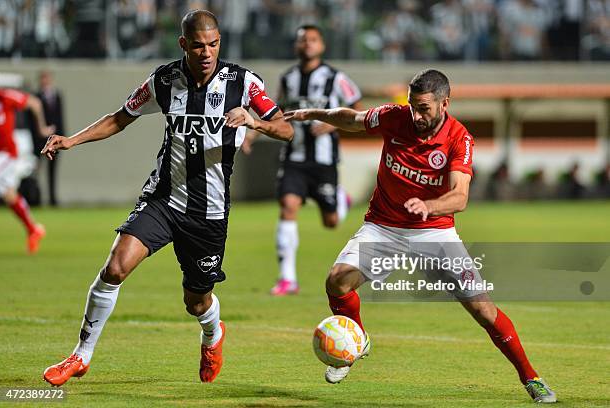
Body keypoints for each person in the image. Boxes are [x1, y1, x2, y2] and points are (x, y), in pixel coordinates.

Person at [41, 10, 293, 387]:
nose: (207, 52)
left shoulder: (244, 82)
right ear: (183, 45)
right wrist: (71, 140)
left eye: (213, 44)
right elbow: (120, 117)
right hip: (163, 198)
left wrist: (254, 121)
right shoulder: (164, 79)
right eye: (198, 45)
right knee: (115, 268)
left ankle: (212, 334)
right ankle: (81, 355)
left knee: (196, 300)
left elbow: (285, 129)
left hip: (208, 212)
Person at [284, 69, 557, 403]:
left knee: (484, 311)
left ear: (445, 103)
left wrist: (430, 205)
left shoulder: (459, 139)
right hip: (383, 226)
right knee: (337, 280)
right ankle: (357, 341)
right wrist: (313, 113)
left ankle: (532, 378)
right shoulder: (394, 117)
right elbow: (353, 119)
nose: (416, 114)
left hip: (434, 232)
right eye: (413, 105)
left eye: (424, 108)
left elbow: (460, 197)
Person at [244, 24, 363, 296]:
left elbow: (357, 109)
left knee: (331, 221)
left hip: (324, 160)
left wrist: (332, 125)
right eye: (302, 40)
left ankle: (339, 200)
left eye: (312, 40)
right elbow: (277, 111)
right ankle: (288, 279)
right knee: (288, 206)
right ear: (296, 46)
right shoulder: (289, 78)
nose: (307, 44)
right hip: (293, 158)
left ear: (321, 45)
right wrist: (251, 135)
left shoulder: (336, 77)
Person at [0, 86, 53, 253]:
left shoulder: (5, 96)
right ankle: (33, 229)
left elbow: (34, 103)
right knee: (9, 195)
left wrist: (42, 128)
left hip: (6, 154)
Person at [37, 70, 65, 206]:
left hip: (54, 141)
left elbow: (61, 118)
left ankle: (52, 199)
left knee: (52, 171)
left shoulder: (57, 96)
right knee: (36, 170)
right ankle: (34, 198)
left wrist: (62, 137)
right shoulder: (36, 97)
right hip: (39, 141)